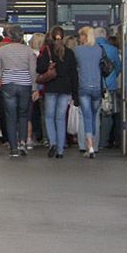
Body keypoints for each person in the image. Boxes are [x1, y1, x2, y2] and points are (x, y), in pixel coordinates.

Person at [0, 24, 38, 157]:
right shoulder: (28, 51)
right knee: (24, 115)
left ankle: (13, 147)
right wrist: (34, 88)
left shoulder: (2, 51)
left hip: (8, 85)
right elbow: (32, 71)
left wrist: (4, 78)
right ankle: (23, 142)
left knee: (10, 116)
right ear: (22, 36)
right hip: (25, 85)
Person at [38, 26, 79, 158]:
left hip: (51, 87)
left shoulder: (47, 51)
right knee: (60, 118)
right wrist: (75, 93)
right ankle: (60, 150)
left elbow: (39, 68)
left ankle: (53, 142)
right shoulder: (70, 53)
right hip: (65, 88)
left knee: (49, 117)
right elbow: (74, 75)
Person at [75, 26, 106, 158]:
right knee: (95, 116)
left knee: (86, 116)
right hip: (97, 87)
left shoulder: (77, 50)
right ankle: (95, 144)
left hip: (83, 86)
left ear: (84, 36)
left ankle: (89, 146)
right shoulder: (100, 50)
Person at [97, 27, 122, 149]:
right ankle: (103, 141)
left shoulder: (89, 48)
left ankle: (92, 141)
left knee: (93, 113)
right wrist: (113, 77)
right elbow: (118, 66)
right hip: (109, 85)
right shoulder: (112, 50)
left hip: (94, 84)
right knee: (107, 114)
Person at [27, 32, 47, 148]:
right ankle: (38, 136)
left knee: (31, 113)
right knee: (39, 114)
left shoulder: (28, 53)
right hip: (39, 87)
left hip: (30, 86)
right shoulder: (40, 55)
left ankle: (31, 136)